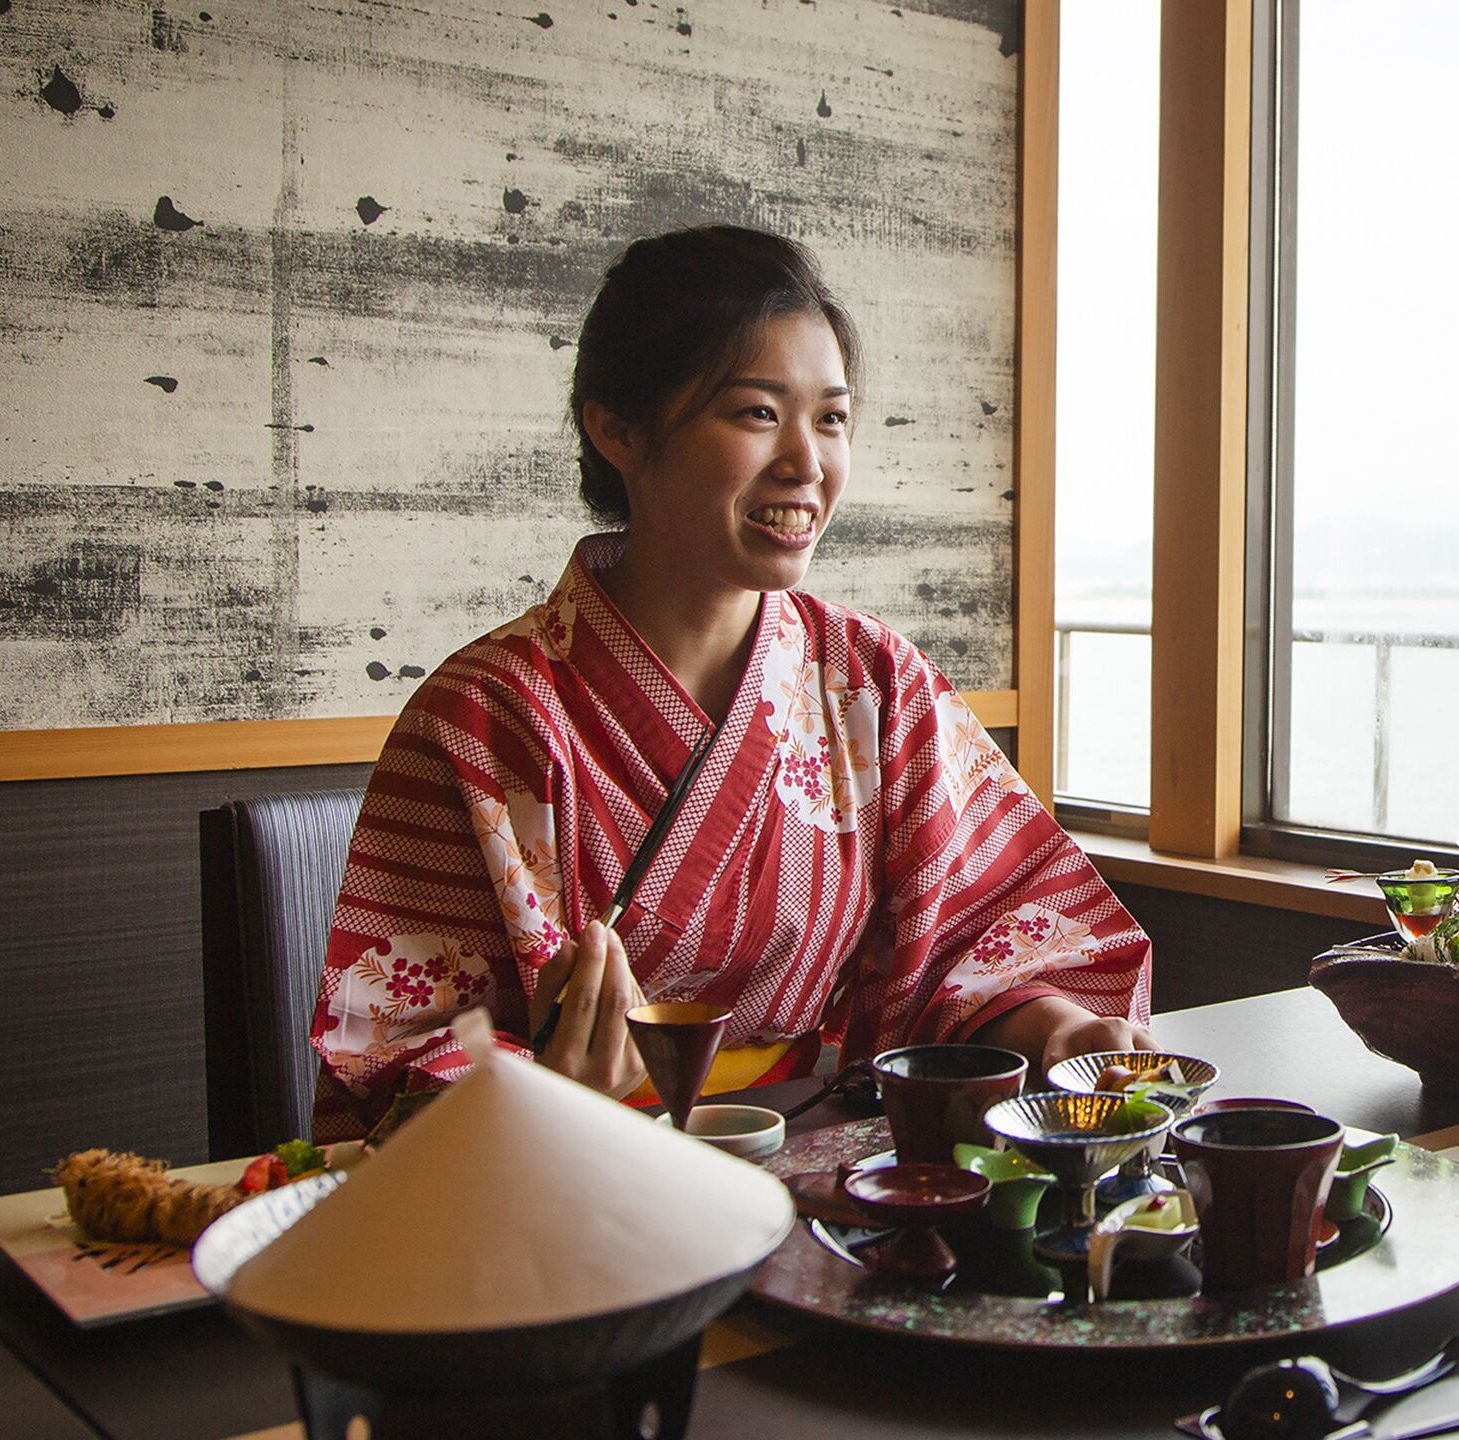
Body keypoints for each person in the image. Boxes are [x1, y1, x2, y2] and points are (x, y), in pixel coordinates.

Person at [308, 227, 1153, 1139]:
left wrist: (1053, 1023)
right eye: (757, 413)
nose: (807, 462)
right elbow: (395, 1044)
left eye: (831, 418)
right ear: (618, 429)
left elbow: (983, 934)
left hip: (810, 1156)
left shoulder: (873, 683)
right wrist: (552, 1090)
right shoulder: (484, 715)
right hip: (558, 1196)